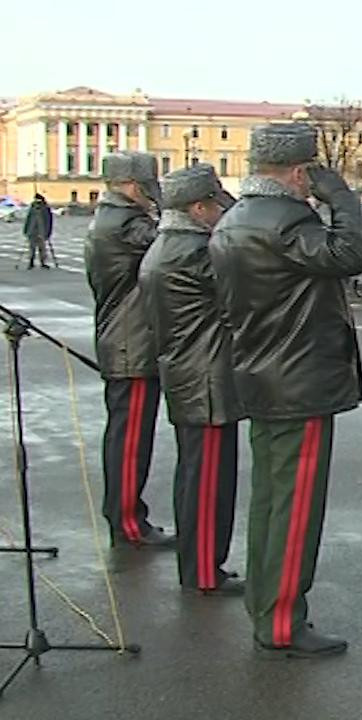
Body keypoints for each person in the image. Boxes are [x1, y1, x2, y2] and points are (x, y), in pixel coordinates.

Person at [210, 124, 362, 658]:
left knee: (271, 500)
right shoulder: (286, 221)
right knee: (295, 505)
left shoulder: (233, 219)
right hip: (298, 377)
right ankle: (281, 622)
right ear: (300, 172)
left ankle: (265, 604)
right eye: (311, 175)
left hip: (261, 371)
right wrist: (342, 197)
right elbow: (351, 253)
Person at [137, 165, 243, 595]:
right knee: (207, 483)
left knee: (197, 474)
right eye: (216, 204)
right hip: (207, 377)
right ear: (199, 208)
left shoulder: (167, 246)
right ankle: (202, 569)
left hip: (190, 371)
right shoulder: (195, 252)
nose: (222, 211)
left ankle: (201, 564)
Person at [84, 151, 174, 549]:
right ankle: (127, 521)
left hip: (125, 339)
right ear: (136, 187)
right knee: (131, 440)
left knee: (128, 436)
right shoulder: (127, 225)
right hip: (132, 343)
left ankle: (126, 514)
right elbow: (173, 247)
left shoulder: (110, 219)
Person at [22, 193, 53, 269]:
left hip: (42, 231)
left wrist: (48, 232)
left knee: (42, 248)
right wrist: (26, 230)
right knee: (31, 247)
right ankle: (31, 262)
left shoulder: (45, 209)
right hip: (32, 231)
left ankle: (43, 262)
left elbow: (49, 221)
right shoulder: (32, 209)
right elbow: (28, 220)